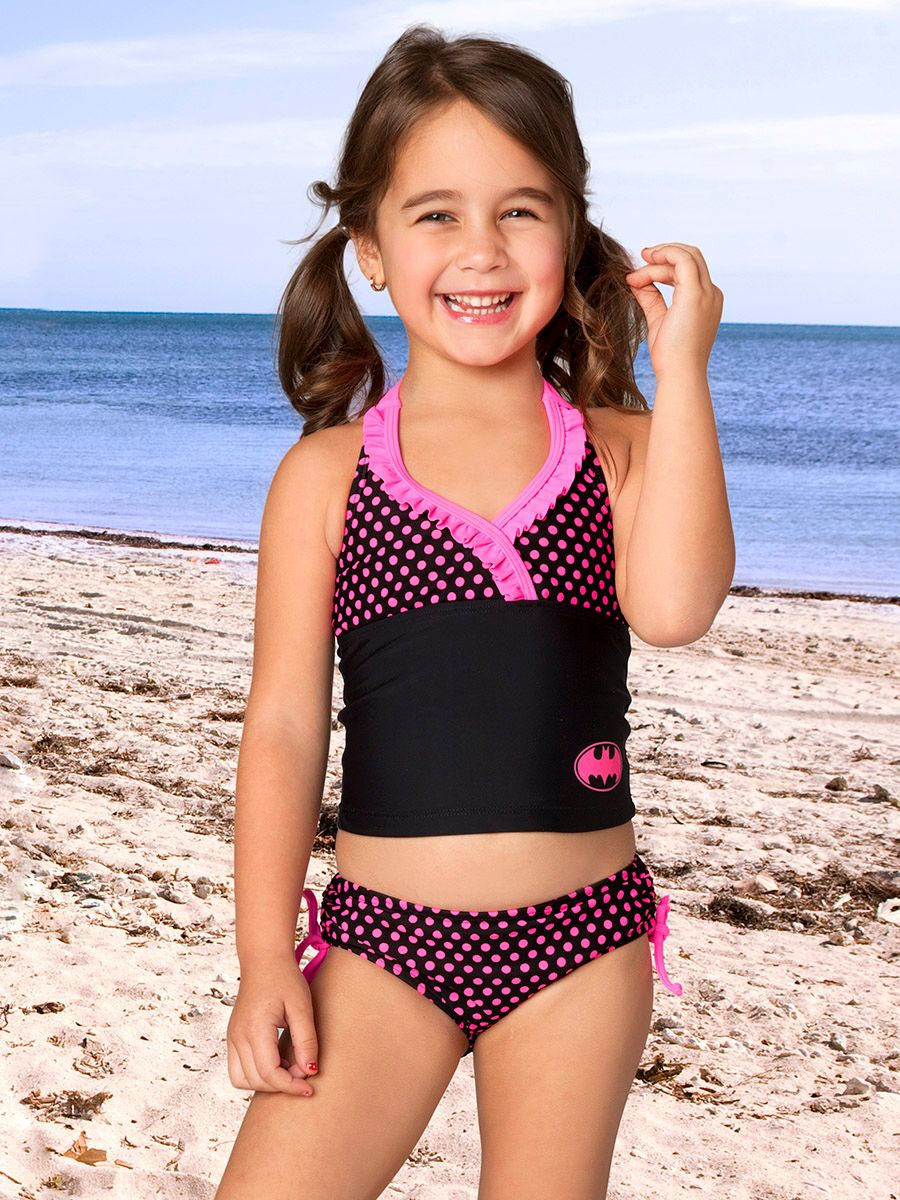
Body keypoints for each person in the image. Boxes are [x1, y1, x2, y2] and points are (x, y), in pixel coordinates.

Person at [214, 21, 731, 1200]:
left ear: (571, 230)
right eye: (436, 214)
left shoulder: (623, 450)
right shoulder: (328, 477)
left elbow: (674, 609)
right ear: (371, 250)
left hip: (582, 947)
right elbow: (284, 726)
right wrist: (264, 960)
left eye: (521, 210)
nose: (482, 250)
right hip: (381, 945)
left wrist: (686, 374)